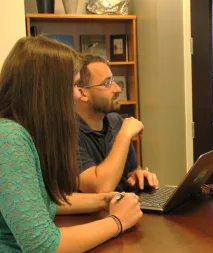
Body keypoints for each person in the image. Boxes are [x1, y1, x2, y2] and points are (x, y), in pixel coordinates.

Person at [0, 35, 143, 252]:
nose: (78, 94)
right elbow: (43, 246)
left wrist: (106, 200)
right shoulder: (9, 138)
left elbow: (44, 204)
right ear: (48, 88)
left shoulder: (22, 132)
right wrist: (118, 221)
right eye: (75, 84)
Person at [75, 54, 159, 193]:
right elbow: (99, 187)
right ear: (82, 93)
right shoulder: (67, 134)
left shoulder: (116, 121)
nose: (118, 89)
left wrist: (139, 176)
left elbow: (132, 171)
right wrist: (125, 135)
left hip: (125, 206)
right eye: (107, 83)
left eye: (113, 80)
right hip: (97, 214)